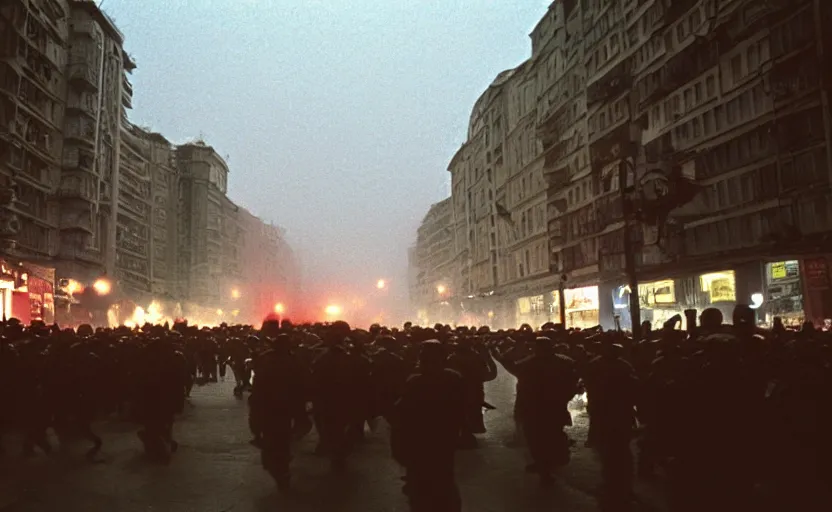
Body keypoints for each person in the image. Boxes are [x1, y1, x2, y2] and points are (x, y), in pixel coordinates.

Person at [391, 340, 465, 512]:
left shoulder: (415, 382)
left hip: (422, 440)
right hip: (443, 439)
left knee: (422, 485)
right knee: (443, 479)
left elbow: (401, 414)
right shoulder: (453, 378)